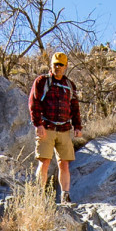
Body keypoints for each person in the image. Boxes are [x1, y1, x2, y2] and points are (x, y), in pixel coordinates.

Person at [29, 52, 82, 205]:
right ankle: (39, 196)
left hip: (64, 129)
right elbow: (34, 103)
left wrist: (77, 126)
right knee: (44, 162)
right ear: (51, 65)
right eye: (55, 64)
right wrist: (38, 124)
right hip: (46, 127)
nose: (58, 67)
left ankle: (65, 197)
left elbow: (74, 107)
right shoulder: (42, 82)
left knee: (64, 164)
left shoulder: (69, 85)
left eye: (61, 65)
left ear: (66, 67)